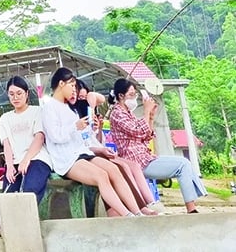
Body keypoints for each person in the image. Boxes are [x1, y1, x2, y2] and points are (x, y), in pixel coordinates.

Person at [40, 68, 144, 217]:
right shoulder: (49, 107)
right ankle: (127, 214)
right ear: (61, 84)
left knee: (114, 170)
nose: (74, 90)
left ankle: (137, 211)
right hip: (67, 158)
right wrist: (75, 126)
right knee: (101, 175)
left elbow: (81, 135)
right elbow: (56, 137)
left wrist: (90, 128)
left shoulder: (70, 108)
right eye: (71, 85)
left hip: (82, 152)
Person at [109, 78, 207, 213]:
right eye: (131, 95)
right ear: (121, 96)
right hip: (136, 160)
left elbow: (146, 135)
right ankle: (191, 208)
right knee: (182, 164)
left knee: (184, 163)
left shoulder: (128, 114)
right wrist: (146, 111)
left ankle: (192, 207)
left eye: (135, 95)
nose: (134, 98)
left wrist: (151, 117)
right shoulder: (117, 113)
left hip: (145, 157)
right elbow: (137, 131)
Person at [69, 80, 159, 215]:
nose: (82, 99)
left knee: (130, 167)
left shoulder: (87, 114)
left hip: (98, 150)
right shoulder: (74, 115)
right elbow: (82, 145)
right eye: (79, 96)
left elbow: (95, 138)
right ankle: (125, 210)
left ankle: (145, 204)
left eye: (83, 96)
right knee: (117, 169)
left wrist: (96, 126)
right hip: (88, 154)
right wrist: (146, 113)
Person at [0, 76, 52, 237]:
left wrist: (26, 160)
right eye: (11, 94)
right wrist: (10, 166)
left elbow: (39, 138)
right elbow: (7, 144)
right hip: (16, 162)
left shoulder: (37, 112)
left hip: (38, 158)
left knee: (29, 189)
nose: (16, 97)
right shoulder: (5, 119)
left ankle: (18, 224)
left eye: (19, 93)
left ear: (26, 94)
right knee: (8, 190)